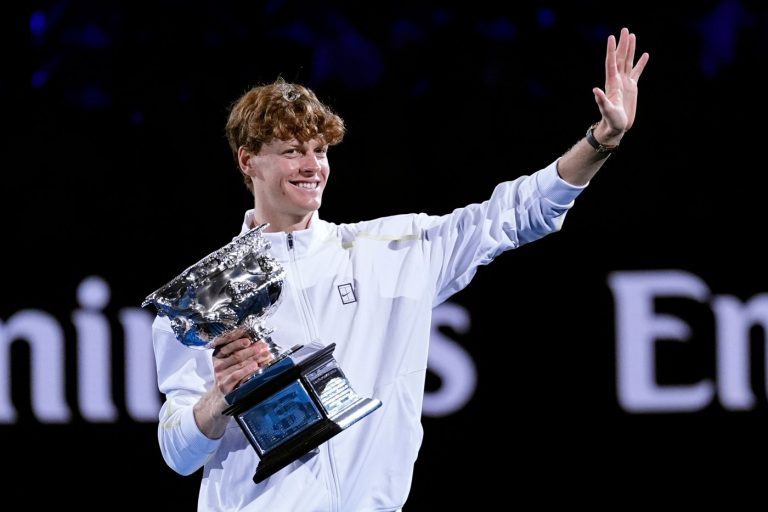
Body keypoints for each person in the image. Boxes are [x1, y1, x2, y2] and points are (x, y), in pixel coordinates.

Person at [150, 27, 649, 511]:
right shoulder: (205, 294)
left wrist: (601, 141)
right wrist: (217, 400)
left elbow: (518, 213)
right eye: (291, 151)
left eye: (319, 150)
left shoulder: (391, 249)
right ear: (247, 162)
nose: (312, 166)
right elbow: (178, 453)